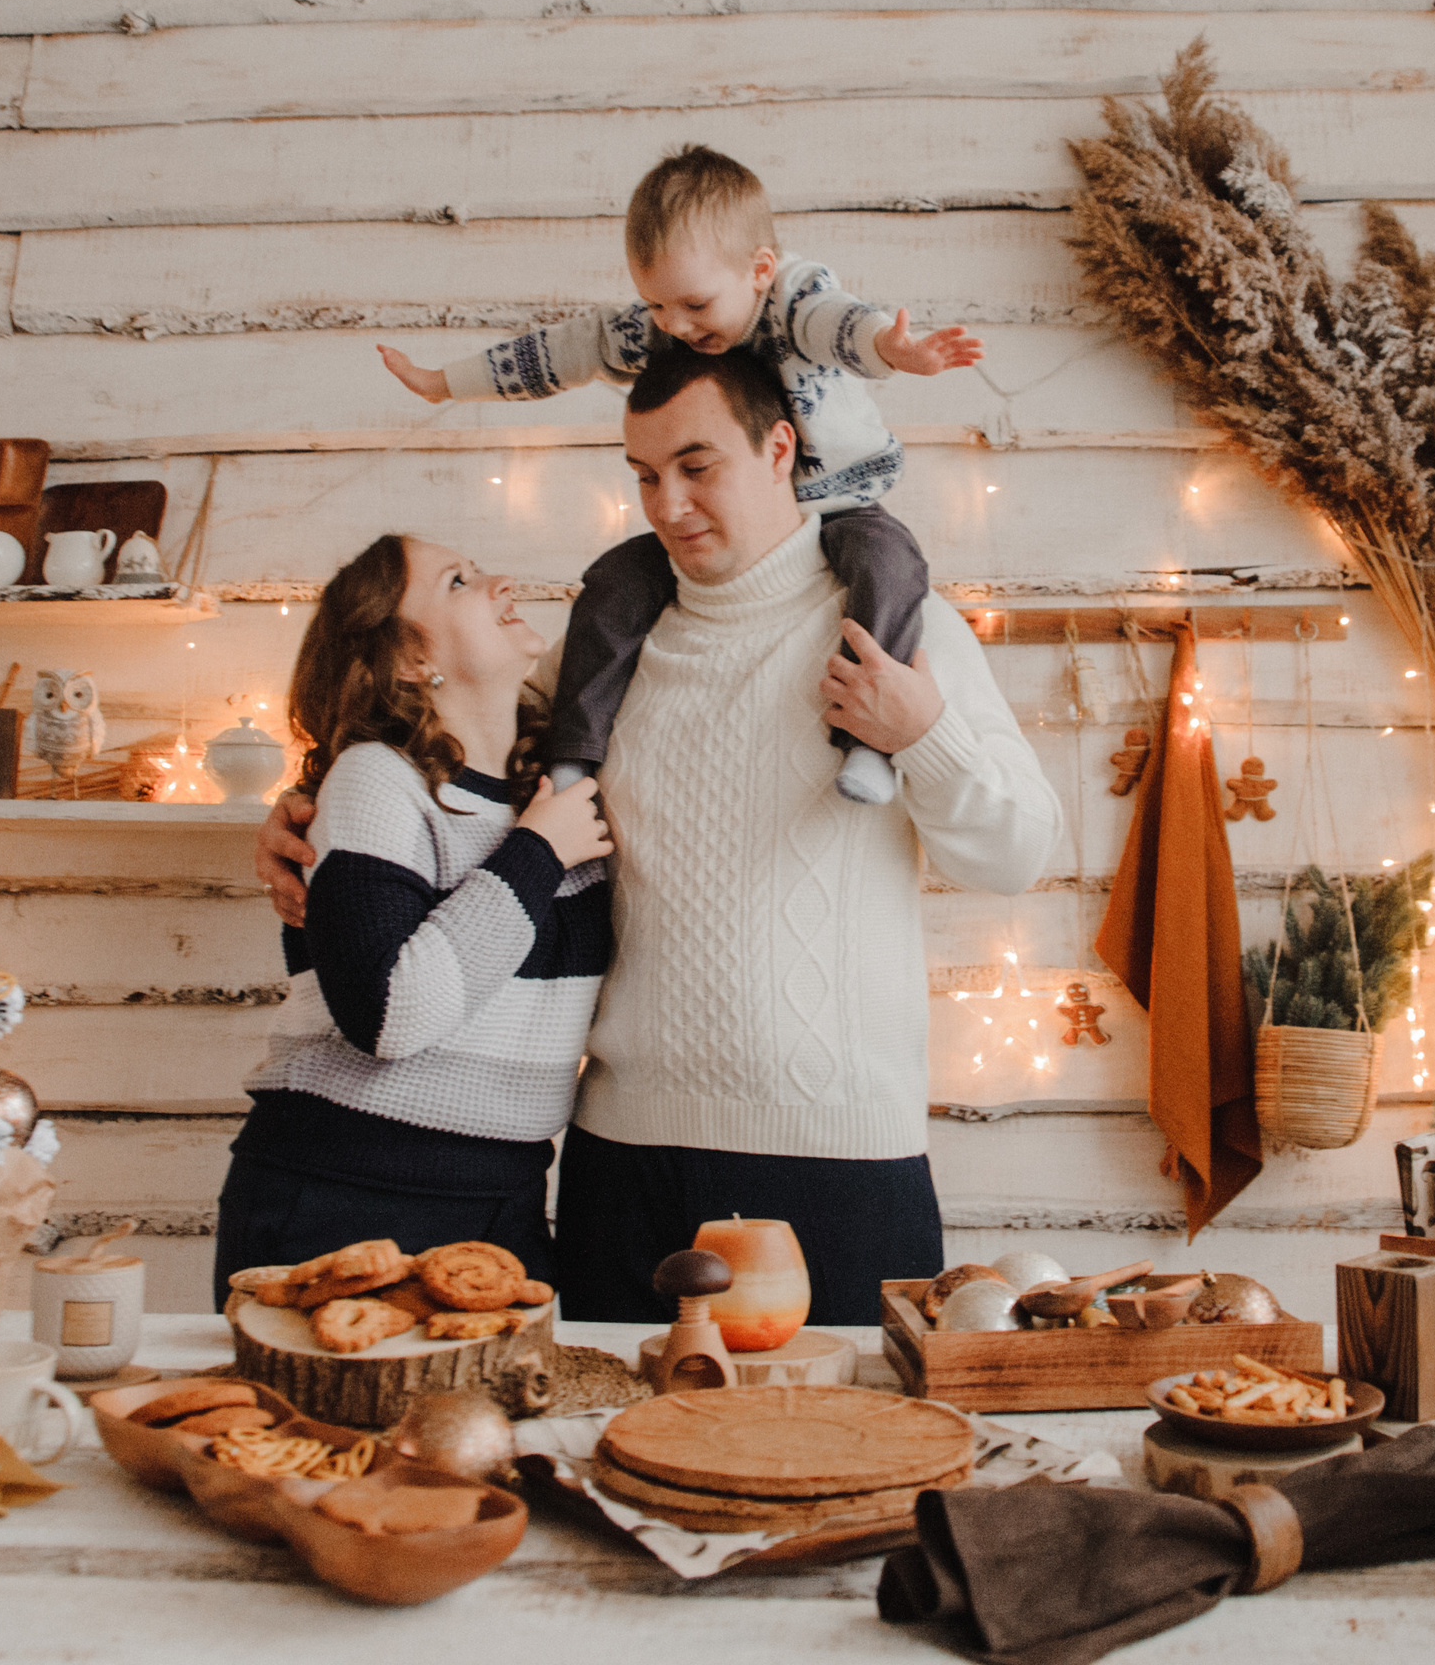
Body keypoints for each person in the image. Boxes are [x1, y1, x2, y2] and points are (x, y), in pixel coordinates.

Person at [262, 344, 1060, 1325]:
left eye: (696, 466)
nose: (668, 504)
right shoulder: (605, 645)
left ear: (779, 448)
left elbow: (1018, 854)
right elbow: (445, 757)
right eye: (644, 474)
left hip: (841, 1159)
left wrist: (924, 734)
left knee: (850, 1423)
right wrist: (304, 809)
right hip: (620, 1160)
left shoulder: (899, 629)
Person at [377, 144, 983, 807]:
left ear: (759, 270)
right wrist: (445, 382)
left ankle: (868, 744)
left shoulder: (793, 301)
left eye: (694, 304)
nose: (675, 325)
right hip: (733, 549)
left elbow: (838, 324)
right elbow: (561, 352)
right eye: (657, 305)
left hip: (843, 499)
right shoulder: (665, 325)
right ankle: (574, 754)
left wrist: (889, 348)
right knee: (614, 582)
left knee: (889, 567)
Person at [211, 534, 613, 1305]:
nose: (500, 580)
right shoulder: (378, 780)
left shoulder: (556, 791)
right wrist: (536, 854)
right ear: (407, 657)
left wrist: (541, 841)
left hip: (506, 1199)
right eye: (460, 580)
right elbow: (390, 1014)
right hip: (344, 1195)